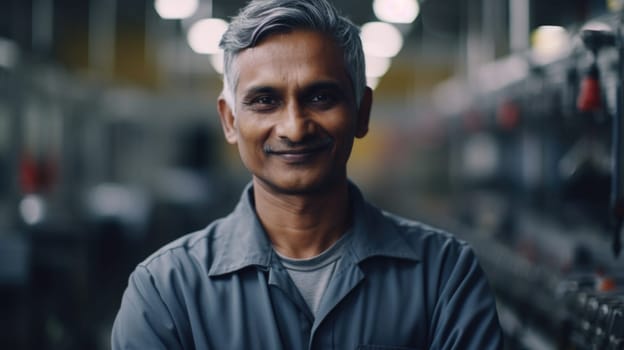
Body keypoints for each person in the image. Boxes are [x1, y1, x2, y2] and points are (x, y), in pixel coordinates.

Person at [111, 0, 504, 348]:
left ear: (361, 111)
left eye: (320, 97)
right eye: (265, 101)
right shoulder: (166, 291)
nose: (294, 128)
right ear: (230, 121)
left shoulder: (445, 276)